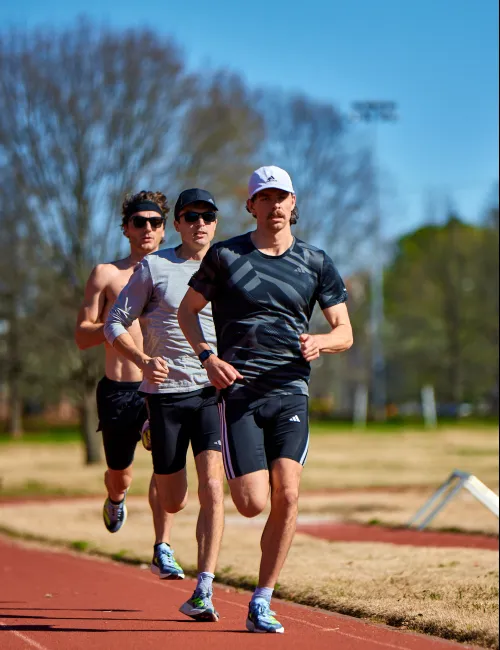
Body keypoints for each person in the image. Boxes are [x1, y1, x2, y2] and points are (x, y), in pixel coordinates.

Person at [177, 166, 353, 634]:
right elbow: (187, 311)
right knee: (253, 504)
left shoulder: (316, 262)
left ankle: (261, 600)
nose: (275, 206)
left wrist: (322, 342)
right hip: (238, 393)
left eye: (282, 198)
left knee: (289, 494)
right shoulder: (225, 255)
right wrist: (207, 357)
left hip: (290, 389)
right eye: (265, 198)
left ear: (294, 204)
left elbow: (345, 331)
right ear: (251, 205)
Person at [104, 188, 225, 622]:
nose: (199, 223)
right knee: (174, 501)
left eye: (207, 216)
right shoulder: (156, 267)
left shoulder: (228, 264)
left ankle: (204, 588)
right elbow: (114, 321)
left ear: (216, 222)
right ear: (177, 224)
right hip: (165, 394)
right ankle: (154, 445)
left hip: (211, 392)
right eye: (190, 216)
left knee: (214, 486)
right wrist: (140, 360)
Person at [75, 190, 184, 581]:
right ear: (126, 228)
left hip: (161, 387)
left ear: (164, 228)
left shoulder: (176, 272)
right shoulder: (106, 274)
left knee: (165, 465)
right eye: (139, 221)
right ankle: (116, 497)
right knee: (120, 472)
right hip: (118, 389)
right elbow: (81, 336)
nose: (147, 229)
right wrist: (113, 328)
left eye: (155, 222)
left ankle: (162, 547)